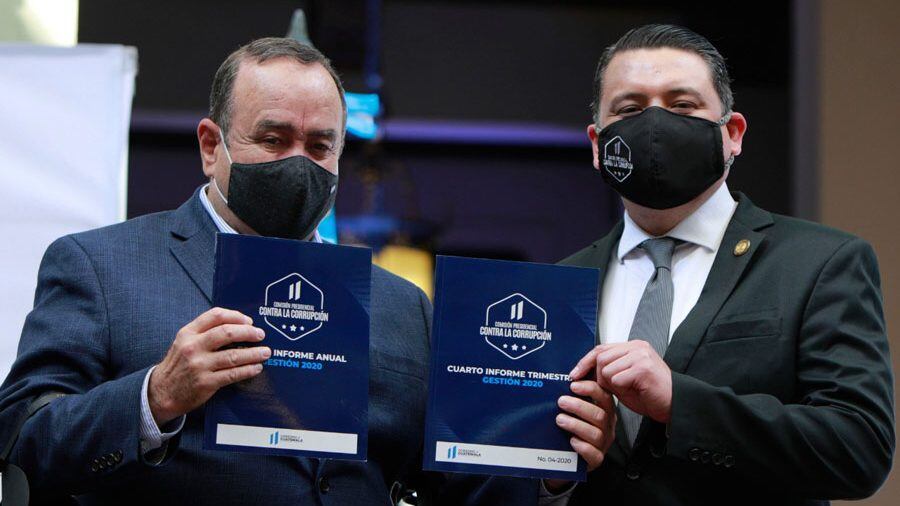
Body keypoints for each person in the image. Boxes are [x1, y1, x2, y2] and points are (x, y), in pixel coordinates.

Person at [0, 37, 610, 505]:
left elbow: (452, 483)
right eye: (272, 139)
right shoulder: (101, 265)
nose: (298, 162)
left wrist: (549, 468)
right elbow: (23, 441)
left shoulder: (401, 305)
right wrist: (155, 396)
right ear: (212, 146)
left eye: (319, 146)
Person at [558, 24, 894, 504]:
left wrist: (680, 403)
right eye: (630, 109)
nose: (655, 125)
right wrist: (553, 479)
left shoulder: (820, 262)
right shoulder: (560, 283)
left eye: (683, 105)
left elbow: (858, 449)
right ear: (597, 144)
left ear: (732, 134)